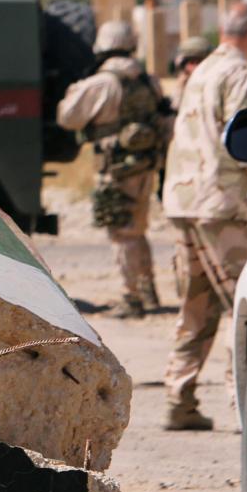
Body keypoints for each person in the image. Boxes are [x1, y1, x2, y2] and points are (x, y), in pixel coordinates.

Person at [161, 2, 247, 431]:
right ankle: (246, 407)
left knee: (194, 306)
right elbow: (245, 135)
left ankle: (179, 398)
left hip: (182, 200)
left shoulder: (202, 71)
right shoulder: (240, 73)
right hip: (221, 205)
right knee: (246, 302)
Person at [56, 19, 168, 318]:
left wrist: (73, 90)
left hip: (116, 169)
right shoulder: (148, 80)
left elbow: (68, 118)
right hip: (147, 165)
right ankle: (148, 292)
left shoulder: (100, 83)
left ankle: (131, 298)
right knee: (138, 229)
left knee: (121, 233)